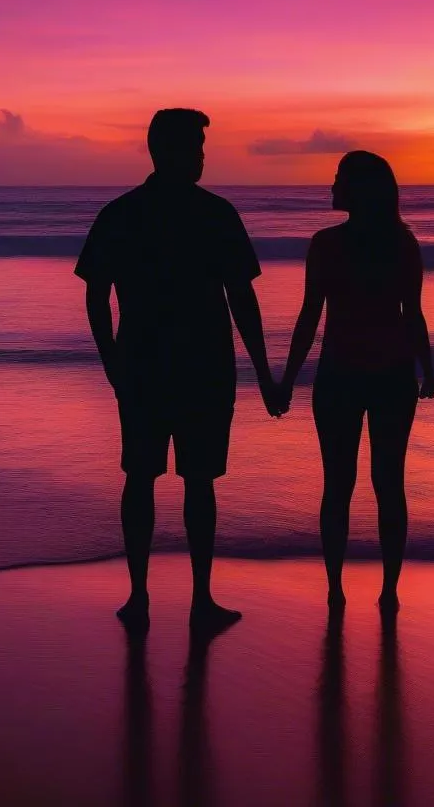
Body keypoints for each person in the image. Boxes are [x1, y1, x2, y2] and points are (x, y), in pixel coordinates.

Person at [75, 108, 281, 632]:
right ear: (166, 152)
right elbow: (241, 299)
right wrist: (261, 370)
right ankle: (169, 597)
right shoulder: (208, 214)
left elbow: (97, 294)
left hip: (157, 365)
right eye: (195, 148)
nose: (202, 158)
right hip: (189, 366)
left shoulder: (126, 213)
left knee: (163, 479)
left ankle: (160, 597)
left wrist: (110, 359)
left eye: (201, 148)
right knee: (176, 481)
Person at [279, 151, 434, 612]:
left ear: (359, 190)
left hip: (342, 376)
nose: (331, 188)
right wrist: (427, 370)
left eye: (338, 180)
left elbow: (311, 317)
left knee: (339, 484)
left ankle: (336, 591)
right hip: (389, 376)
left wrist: (286, 380)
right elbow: (413, 315)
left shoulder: (326, 244)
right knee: (389, 483)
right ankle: (388, 592)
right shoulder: (402, 245)